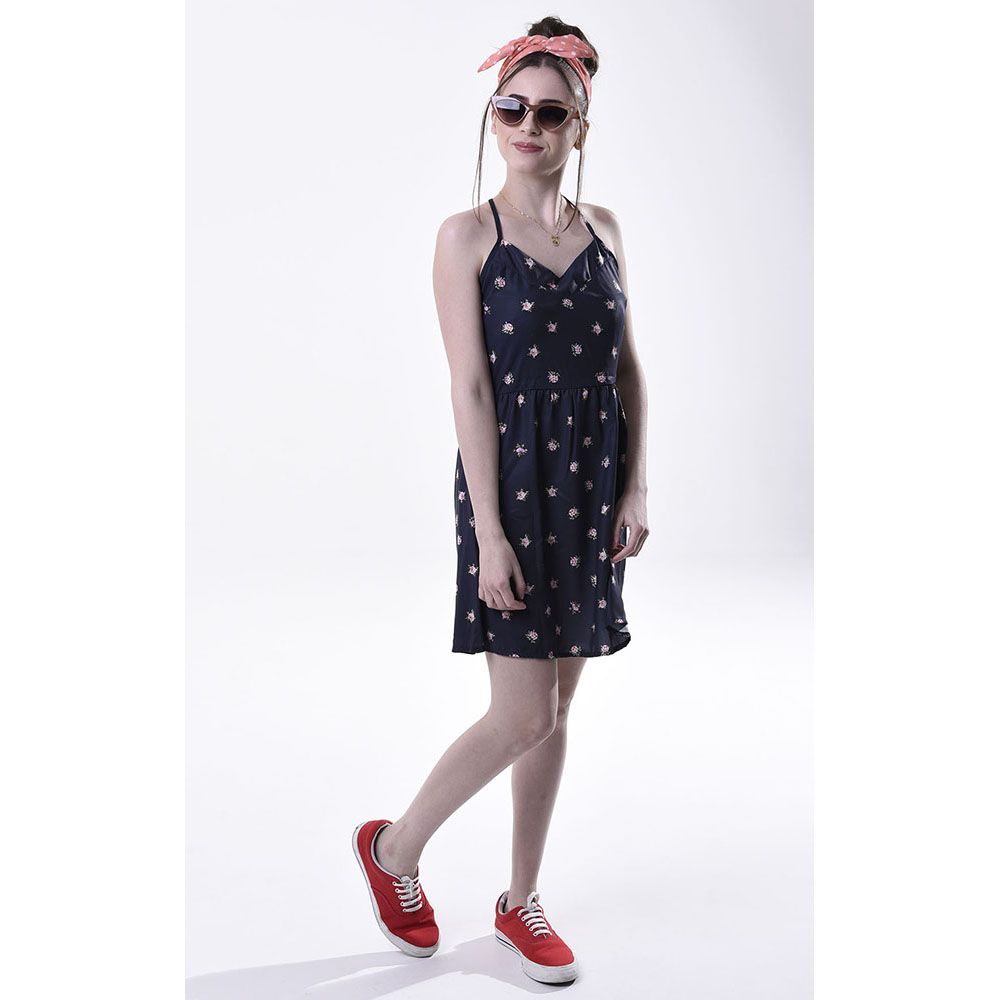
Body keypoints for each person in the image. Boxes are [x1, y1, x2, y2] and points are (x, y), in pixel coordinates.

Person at [353, 16, 649, 985]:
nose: (527, 125)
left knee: (555, 709)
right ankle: (394, 848)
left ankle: (520, 901)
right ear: (493, 115)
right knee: (522, 714)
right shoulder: (465, 237)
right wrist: (487, 529)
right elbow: (471, 389)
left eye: (549, 112)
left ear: (579, 126)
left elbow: (626, 370)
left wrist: (635, 483)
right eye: (511, 107)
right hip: (513, 495)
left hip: (591, 492)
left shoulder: (604, 230)